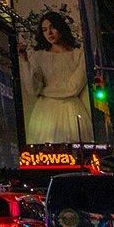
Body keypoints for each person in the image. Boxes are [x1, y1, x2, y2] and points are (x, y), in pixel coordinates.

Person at [18, 11, 90, 145]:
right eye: (45, 30)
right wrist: (24, 61)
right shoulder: (38, 56)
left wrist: (45, 91)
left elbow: (74, 87)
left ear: (61, 28)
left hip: (70, 111)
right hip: (46, 113)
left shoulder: (78, 55)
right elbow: (33, 89)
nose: (49, 33)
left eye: (52, 28)